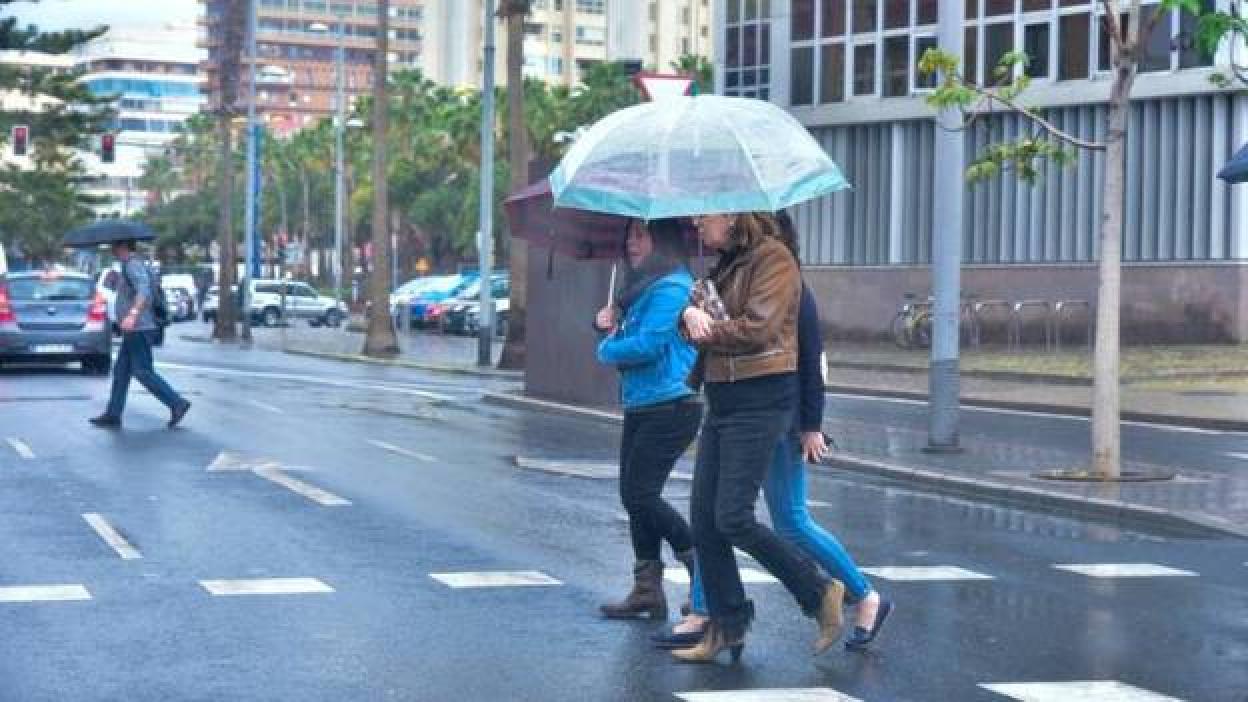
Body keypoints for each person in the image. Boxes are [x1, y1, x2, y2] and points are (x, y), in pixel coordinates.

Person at [655, 215, 892, 652]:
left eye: (704, 213)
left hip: (762, 401)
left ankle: (820, 591)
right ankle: (725, 625)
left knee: (744, 518)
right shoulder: (726, 263)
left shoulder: (776, 261)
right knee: (706, 522)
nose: (695, 221)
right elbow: (701, 320)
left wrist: (811, 426)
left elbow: (763, 331)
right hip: (723, 397)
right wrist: (688, 314)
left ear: (732, 213)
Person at [594, 218, 701, 620]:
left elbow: (649, 346)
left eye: (640, 235)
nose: (631, 243)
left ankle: (700, 565)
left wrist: (607, 346)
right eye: (628, 235)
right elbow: (627, 339)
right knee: (634, 496)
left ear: (663, 239)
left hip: (673, 403)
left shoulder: (673, 287)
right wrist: (603, 324)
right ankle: (647, 588)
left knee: (640, 494)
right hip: (643, 402)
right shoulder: (640, 290)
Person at [89, 240, 190, 430]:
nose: (112, 250)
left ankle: (176, 402)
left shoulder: (133, 265)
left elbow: (143, 289)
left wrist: (133, 315)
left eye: (115, 246)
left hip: (139, 328)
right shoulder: (131, 265)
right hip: (133, 328)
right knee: (121, 372)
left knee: (142, 371)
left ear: (124, 247)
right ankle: (113, 413)